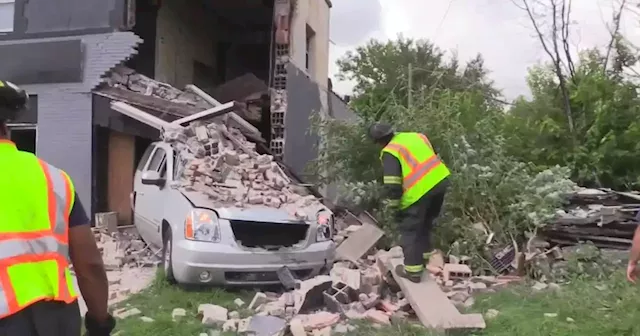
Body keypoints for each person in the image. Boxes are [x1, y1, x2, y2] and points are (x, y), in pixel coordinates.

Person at [0, 80, 115, 335]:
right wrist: (100, 322)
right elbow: (90, 265)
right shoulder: (54, 178)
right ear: (7, 127)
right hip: (56, 319)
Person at [369, 122, 451, 283]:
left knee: (410, 230)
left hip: (419, 192)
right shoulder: (416, 136)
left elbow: (393, 183)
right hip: (440, 181)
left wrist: (394, 207)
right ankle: (424, 259)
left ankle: (413, 271)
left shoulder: (390, 151)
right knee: (426, 223)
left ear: (379, 141)